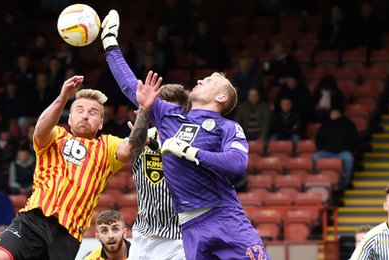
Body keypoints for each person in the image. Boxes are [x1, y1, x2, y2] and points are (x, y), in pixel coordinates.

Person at [102, 10, 270, 259]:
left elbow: (238, 164)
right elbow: (130, 86)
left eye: (211, 81)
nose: (201, 79)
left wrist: (189, 152)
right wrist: (109, 44)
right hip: (189, 227)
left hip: (223, 216)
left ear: (221, 98)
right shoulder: (170, 116)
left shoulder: (228, 127)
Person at [0, 73, 158, 259]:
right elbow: (40, 131)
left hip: (67, 236)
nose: (85, 116)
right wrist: (63, 97)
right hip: (31, 221)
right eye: (80, 110)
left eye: (92, 113)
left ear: (100, 123)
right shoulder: (56, 135)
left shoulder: (107, 145)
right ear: (69, 118)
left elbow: (131, 149)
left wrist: (144, 110)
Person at [129, 84, 188, 260]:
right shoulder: (141, 135)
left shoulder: (192, 137)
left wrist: (153, 144)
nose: (166, 116)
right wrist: (141, 124)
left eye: (173, 111)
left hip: (178, 236)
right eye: (163, 110)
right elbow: (127, 152)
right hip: (143, 234)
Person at [313, 109, 357, 189]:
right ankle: (317, 179)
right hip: (325, 151)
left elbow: (354, 139)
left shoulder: (348, 124)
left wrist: (347, 148)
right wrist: (321, 148)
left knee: (349, 158)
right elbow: (318, 139)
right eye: (332, 112)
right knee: (316, 156)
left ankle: (345, 183)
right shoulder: (325, 124)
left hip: (342, 151)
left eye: (336, 112)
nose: (334, 114)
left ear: (340, 113)